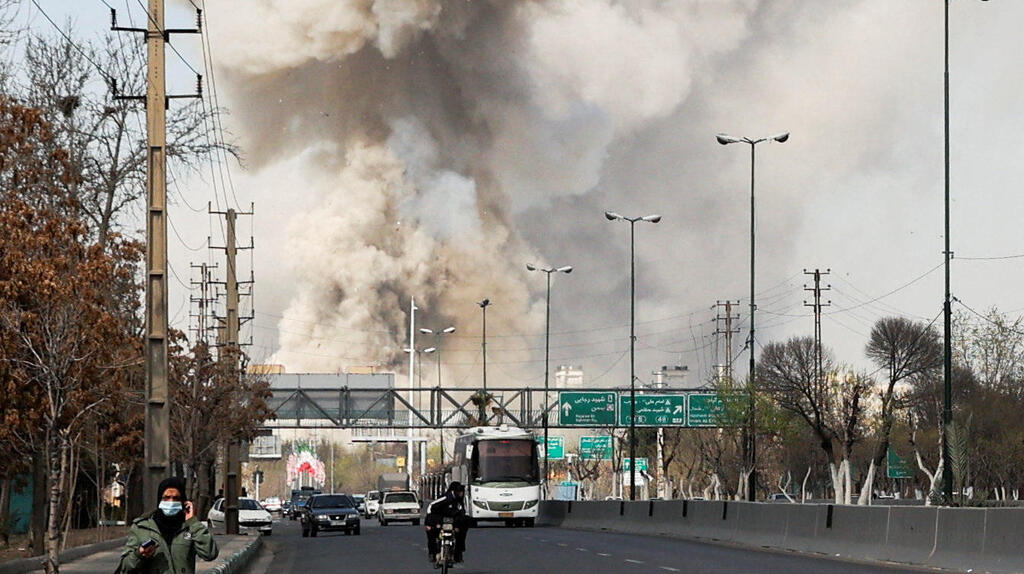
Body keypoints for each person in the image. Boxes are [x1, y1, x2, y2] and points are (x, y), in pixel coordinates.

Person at [117, 477, 218, 574]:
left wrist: (193, 522)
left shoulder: (189, 527)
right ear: (160, 500)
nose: (171, 502)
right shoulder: (142, 527)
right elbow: (125, 567)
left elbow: (210, 554)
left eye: (176, 498)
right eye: (166, 498)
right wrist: (139, 554)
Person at [424, 482, 469, 565]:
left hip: (452, 520)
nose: (461, 493)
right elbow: (431, 506)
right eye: (459, 491)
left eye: (462, 491)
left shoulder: (460, 501)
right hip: (439, 518)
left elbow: (462, 513)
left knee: (462, 530)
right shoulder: (446, 497)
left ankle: (457, 553)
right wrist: (429, 520)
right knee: (431, 532)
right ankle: (433, 553)